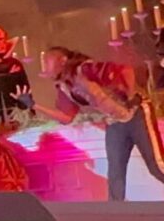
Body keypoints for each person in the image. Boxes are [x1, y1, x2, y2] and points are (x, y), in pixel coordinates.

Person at [19, 46, 164, 200]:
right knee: (115, 172)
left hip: (136, 113)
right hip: (114, 121)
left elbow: (126, 70)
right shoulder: (64, 87)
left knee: (156, 166)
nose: (44, 66)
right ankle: (116, 210)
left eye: (47, 61)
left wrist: (130, 95)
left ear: (62, 61)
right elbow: (66, 118)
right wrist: (34, 106)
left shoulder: (85, 69)